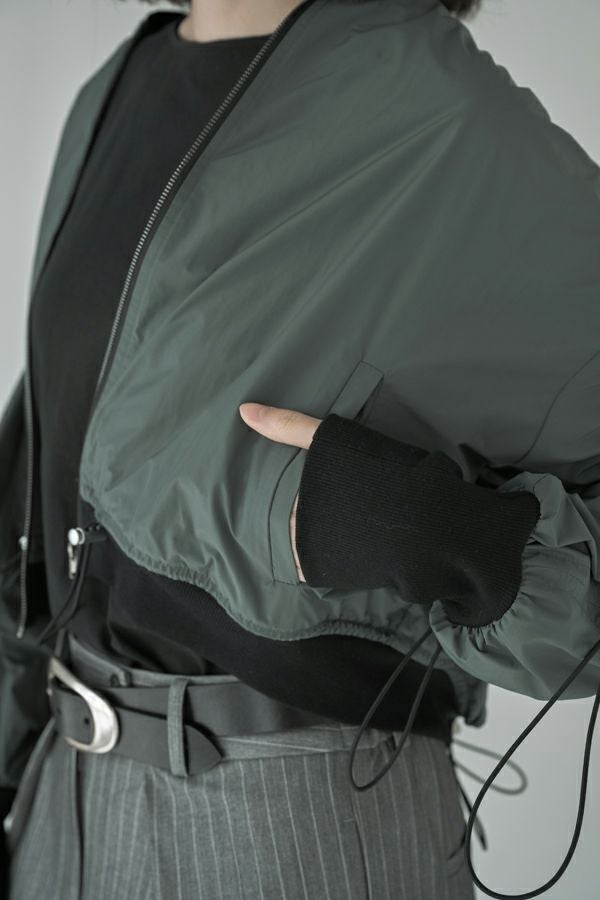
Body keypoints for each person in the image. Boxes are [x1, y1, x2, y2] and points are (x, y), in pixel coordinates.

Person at [1, 0, 599, 898]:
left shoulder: (452, 122)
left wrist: (429, 528)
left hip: (296, 819)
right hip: (61, 795)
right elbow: (42, 475)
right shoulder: (116, 87)